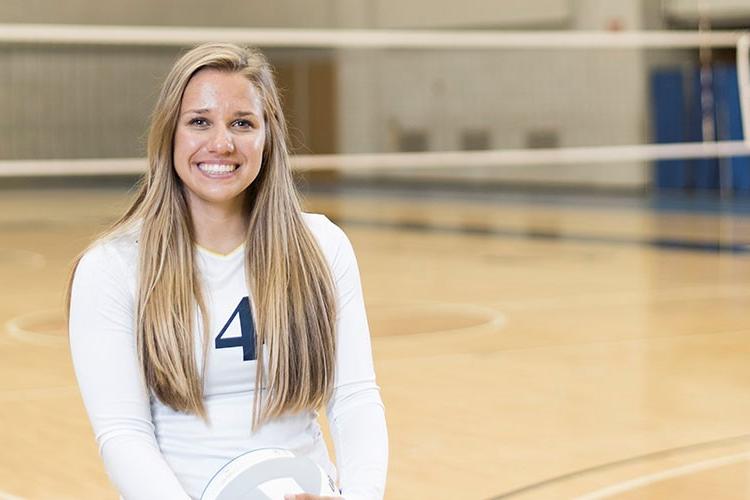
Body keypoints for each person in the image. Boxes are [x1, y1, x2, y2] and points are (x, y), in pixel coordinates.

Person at [67, 42, 388, 500]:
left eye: (242, 123)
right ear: (169, 134)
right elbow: (123, 435)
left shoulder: (321, 245)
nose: (222, 143)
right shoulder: (113, 266)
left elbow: (354, 399)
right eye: (200, 121)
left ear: (267, 135)